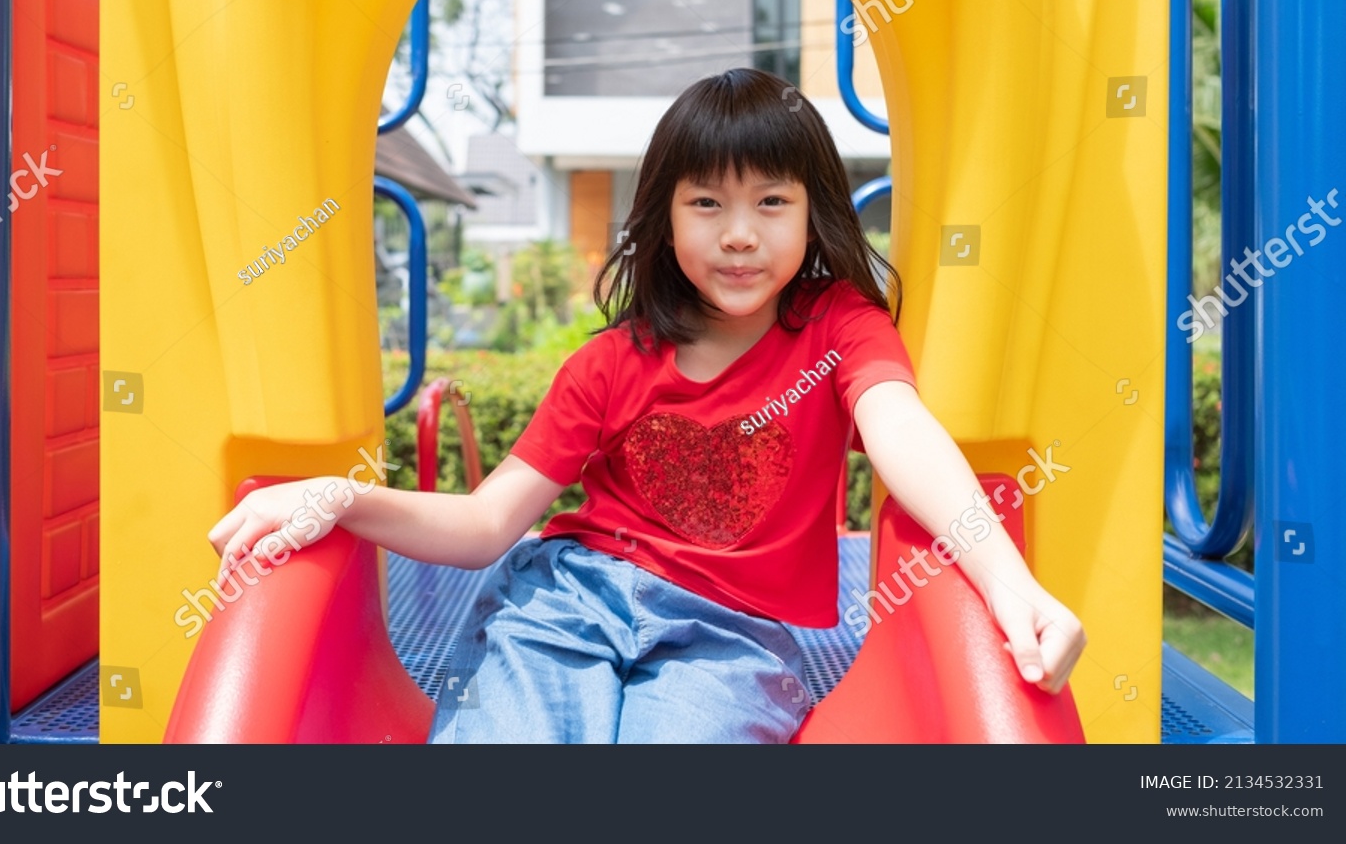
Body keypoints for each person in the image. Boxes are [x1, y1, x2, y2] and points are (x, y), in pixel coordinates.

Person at [207, 67, 1086, 743]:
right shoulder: (612, 362)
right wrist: (341, 497)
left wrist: (1012, 586)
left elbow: (902, 430)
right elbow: (486, 523)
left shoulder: (835, 329)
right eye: (707, 202)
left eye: (772, 202)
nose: (739, 232)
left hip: (734, 637)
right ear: (664, 220)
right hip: (568, 605)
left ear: (813, 214)